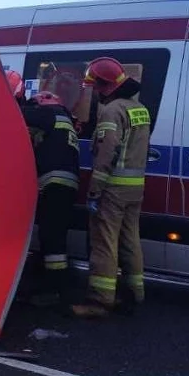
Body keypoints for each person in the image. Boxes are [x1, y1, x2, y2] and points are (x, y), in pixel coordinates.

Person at [72, 57, 151, 318]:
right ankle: (134, 292)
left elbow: (106, 154)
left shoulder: (111, 111)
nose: (93, 91)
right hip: (135, 188)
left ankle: (100, 301)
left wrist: (94, 191)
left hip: (113, 188)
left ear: (106, 85)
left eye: (95, 86)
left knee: (104, 242)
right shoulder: (139, 108)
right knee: (130, 240)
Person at [21, 90, 80, 307]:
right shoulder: (62, 118)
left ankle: (54, 290)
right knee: (52, 233)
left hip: (55, 184)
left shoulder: (50, 114)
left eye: (35, 105)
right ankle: (48, 281)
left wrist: (9, 101)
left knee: (51, 236)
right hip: (65, 185)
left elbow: (20, 114)